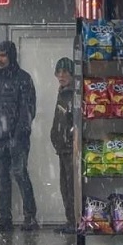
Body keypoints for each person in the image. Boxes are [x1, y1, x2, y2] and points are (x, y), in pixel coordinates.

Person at [0, 41, 38, 232]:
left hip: (17, 138)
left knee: (20, 173)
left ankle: (30, 216)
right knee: (2, 176)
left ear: (11, 56)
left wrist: (19, 133)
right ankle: (4, 218)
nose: (0, 59)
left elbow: (28, 109)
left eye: (3, 55)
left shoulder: (23, 79)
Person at [50, 57, 76, 234]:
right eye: (58, 73)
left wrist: (70, 139)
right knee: (65, 186)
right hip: (63, 148)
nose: (61, 76)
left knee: (71, 186)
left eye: (65, 72)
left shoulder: (72, 94)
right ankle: (71, 220)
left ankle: (74, 221)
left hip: (70, 148)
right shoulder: (63, 92)